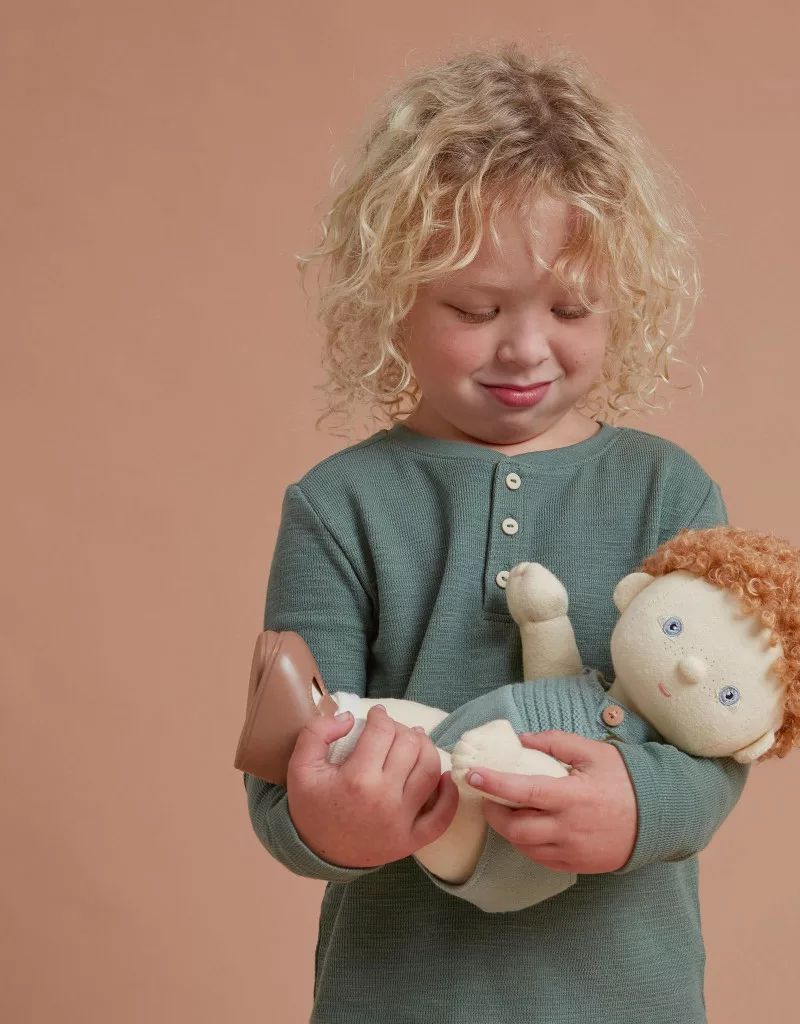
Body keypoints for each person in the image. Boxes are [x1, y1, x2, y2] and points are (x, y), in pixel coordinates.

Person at [243, 40, 749, 1024]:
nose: (524, 347)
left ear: (620, 300)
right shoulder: (337, 507)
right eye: (476, 308)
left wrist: (639, 805)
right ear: (394, 293)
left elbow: (719, 743)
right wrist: (336, 820)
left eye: (569, 307)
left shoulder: (669, 493)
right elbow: (280, 790)